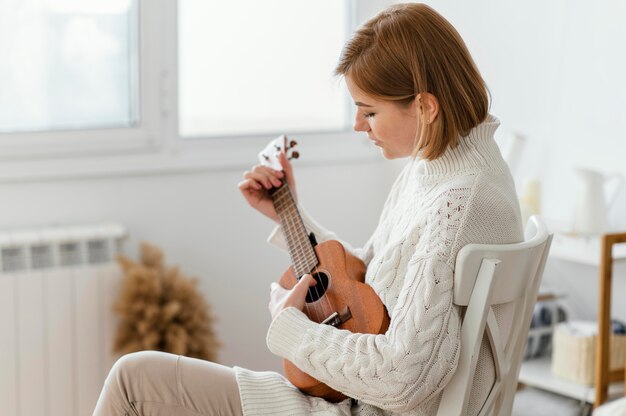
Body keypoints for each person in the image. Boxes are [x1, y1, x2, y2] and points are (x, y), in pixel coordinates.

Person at [93, 3, 523, 415]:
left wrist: (289, 326)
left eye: (369, 111)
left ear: (425, 107)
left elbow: (401, 375)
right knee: (137, 379)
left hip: (360, 406)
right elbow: (368, 275)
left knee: (134, 381)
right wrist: (290, 216)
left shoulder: (458, 201)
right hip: (351, 398)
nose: (358, 126)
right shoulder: (443, 169)